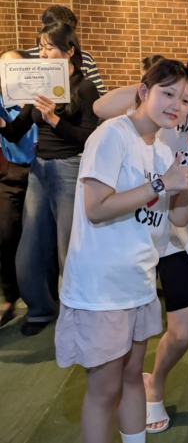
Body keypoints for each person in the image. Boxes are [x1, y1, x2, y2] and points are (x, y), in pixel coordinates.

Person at [93, 34, 188, 443]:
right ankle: (156, 383)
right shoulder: (170, 102)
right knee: (180, 329)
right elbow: (100, 108)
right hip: (173, 231)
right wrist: (164, 85)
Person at [55, 59, 188, 443]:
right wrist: (161, 183)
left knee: (133, 377)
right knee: (105, 390)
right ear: (144, 91)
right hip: (100, 289)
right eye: (168, 93)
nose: (177, 105)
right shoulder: (112, 134)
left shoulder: (163, 150)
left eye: (185, 100)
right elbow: (96, 207)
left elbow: (178, 218)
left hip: (138, 284)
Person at [0, 22, 100, 336]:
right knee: (29, 248)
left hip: (69, 168)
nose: (43, 53)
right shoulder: (40, 83)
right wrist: (3, 122)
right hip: (39, 170)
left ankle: (79, 310)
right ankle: (41, 309)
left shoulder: (84, 87)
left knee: (69, 248)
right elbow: (15, 131)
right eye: (41, 47)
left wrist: (54, 118)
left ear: (69, 50)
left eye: (49, 47)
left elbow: (88, 138)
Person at [0, 49, 37, 328]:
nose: (7, 73)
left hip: (44, 171)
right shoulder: (2, 101)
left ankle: (44, 301)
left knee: (40, 239)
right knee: (5, 234)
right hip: (11, 171)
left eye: (12, 67)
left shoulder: (43, 98)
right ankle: (10, 299)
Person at [26, 5, 107, 94]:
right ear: (44, 28)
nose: (43, 54)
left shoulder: (85, 58)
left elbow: (100, 95)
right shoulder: (26, 58)